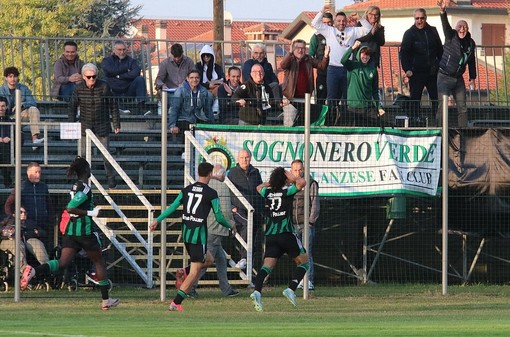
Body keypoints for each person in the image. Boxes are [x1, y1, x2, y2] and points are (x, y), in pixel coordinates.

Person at [21, 157, 120, 310]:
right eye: (89, 167)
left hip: (71, 231)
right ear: (86, 170)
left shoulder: (75, 186)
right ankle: (106, 300)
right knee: (99, 262)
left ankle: (33, 271)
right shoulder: (84, 188)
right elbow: (70, 208)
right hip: (84, 232)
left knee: (62, 262)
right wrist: (92, 212)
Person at [149, 162, 236, 312]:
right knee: (195, 271)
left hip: (187, 234)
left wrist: (158, 219)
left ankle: (184, 271)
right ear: (210, 174)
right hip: (199, 237)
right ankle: (176, 302)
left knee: (209, 260)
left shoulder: (186, 190)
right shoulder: (211, 193)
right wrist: (231, 225)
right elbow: (219, 217)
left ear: (198, 173)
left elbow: (172, 208)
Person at [250, 166, 307, 312]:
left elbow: (258, 187)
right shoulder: (286, 191)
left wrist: (272, 182)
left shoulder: (267, 192)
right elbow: (302, 182)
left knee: (266, 267)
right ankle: (291, 289)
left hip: (271, 236)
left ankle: (257, 291)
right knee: (305, 263)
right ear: (285, 179)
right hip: (286, 234)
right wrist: (291, 177)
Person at [311, 5, 372, 123]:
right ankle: (329, 122)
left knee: (346, 99)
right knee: (331, 98)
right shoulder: (329, 31)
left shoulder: (352, 31)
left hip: (347, 69)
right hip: (332, 69)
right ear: (334, 22)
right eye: (338, 21)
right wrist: (322, 11)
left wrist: (360, 18)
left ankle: (346, 123)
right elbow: (315, 23)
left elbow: (368, 29)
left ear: (347, 22)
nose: (341, 23)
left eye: (343, 21)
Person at [189, 164, 240, 298]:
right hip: (215, 229)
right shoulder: (222, 187)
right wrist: (231, 224)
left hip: (203, 227)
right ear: (222, 175)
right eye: (225, 175)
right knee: (205, 262)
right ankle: (189, 287)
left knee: (221, 259)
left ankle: (226, 288)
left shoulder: (202, 186)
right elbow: (225, 210)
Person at [69, 63, 120, 189]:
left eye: (94, 76)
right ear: (83, 77)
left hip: (102, 125)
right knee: (83, 156)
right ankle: (82, 181)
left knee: (106, 156)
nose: (92, 79)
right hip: (84, 126)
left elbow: (113, 105)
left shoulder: (104, 86)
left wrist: (116, 123)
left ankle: (110, 179)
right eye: (89, 76)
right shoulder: (78, 89)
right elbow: (72, 107)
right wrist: (71, 124)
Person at [436, 0, 477, 128]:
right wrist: (443, 11)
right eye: (459, 26)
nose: (462, 29)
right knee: (442, 107)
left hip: (458, 79)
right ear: (456, 29)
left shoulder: (471, 43)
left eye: (464, 27)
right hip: (444, 77)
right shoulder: (450, 36)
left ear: (467, 29)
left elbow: (471, 61)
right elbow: (445, 25)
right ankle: (440, 132)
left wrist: (472, 78)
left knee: (462, 107)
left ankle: (463, 132)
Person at [400, 8, 443, 123]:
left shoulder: (433, 31)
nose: (419, 21)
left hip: (432, 72)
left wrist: (441, 66)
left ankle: (438, 124)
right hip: (416, 72)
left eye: (422, 18)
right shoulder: (409, 33)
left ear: (425, 18)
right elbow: (404, 53)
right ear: (414, 19)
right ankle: (415, 123)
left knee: (436, 99)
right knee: (415, 100)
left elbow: (440, 50)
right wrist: (407, 69)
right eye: (417, 18)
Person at [227, 149, 263, 270]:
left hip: (255, 211)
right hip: (239, 210)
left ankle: (250, 271)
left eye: (246, 157)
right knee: (247, 225)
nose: (244, 160)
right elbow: (227, 191)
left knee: (255, 241)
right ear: (238, 159)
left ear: (250, 158)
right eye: (242, 157)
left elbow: (259, 190)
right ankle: (242, 259)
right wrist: (232, 207)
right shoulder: (232, 173)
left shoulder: (256, 172)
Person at [280, 39, 329, 127]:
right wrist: (290, 53)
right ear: (293, 49)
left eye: (303, 48)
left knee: (304, 125)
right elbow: (283, 65)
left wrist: (326, 55)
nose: (300, 50)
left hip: (305, 99)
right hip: (290, 99)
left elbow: (321, 66)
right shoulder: (290, 59)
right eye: (297, 48)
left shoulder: (308, 59)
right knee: (289, 124)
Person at [290, 159, 320, 291]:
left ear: (304, 169)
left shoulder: (311, 183)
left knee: (307, 252)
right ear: (291, 170)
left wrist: (310, 222)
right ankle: (300, 279)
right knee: (297, 253)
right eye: (295, 170)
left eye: (300, 169)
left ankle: (309, 280)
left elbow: (315, 204)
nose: (298, 172)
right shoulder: (288, 184)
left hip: (306, 224)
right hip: (293, 224)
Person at [341, 40, 385, 126]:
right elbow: (343, 60)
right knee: (353, 133)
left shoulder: (373, 70)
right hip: (352, 107)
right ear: (359, 54)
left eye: (368, 55)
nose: (366, 57)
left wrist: (379, 107)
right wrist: (352, 48)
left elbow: (375, 91)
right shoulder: (353, 66)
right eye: (363, 54)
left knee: (373, 130)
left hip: (367, 107)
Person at [101, 40, 148, 115]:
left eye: (124, 49)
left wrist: (119, 76)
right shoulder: (107, 60)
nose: (122, 52)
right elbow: (110, 71)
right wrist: (126, 69)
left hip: (128, 90)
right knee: (104, 83)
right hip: (114, 90)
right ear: (114, 50)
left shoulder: (131, 61)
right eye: (119, 50)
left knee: (140, 79)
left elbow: (136, 72)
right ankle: (116, 108)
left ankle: (142, 106)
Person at [0, 206, 49, 278]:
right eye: (20, 212)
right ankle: (25, 273)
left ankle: (47, 268)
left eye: (25, 212)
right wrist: (6, 233)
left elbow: (43, 233)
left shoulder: (30, 223)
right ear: (14, 214)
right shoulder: (7, 221)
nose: (23, 214)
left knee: (36, 243)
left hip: (27, 241)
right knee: (17, 244)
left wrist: (35, 232)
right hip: (8, 241)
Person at [0, 66, 44, 146]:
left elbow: (33, 102)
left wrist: (22, 104)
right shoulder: (1, 90)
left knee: (34, 109)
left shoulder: (24, 88)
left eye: (15, 76)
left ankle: (35, 139)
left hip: (19, 116)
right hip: (6, 118)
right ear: (6, 78)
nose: (13, 79)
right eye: (10, 76)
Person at [5, 162, 51, 234]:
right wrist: (11, 217)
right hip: (27, 224)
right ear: (28, 173)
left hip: (42, 223)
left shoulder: (44, 187)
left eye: (39, 172)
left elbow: (49, 204)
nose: (38, 175)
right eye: (35, 172)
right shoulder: (21, 187)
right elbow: (8, 204)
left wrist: (48, 218)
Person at [169, 69, 213, 136]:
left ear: (199, 79)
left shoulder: (204, 91)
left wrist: (212, 125)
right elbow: (174, 109)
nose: (194, 80)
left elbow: (208, 110)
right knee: (190, 130)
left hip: (199, 118)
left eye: (197, 77)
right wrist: (172, 125)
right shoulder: (180, 91)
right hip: (183, 119)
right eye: (191, 78)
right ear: (187, 79)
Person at [155, 43, 195, 109]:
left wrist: (185, 83)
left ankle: (174, 109)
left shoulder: (189, 62)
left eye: (179, 57)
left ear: (182, 53)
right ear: (171, 54)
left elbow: (194, 77)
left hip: (186, 90)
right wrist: (162, 85)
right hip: (170, 91)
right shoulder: (165, 63)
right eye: (175, 57)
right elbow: (159, 79)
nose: (177, 59)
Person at [309, 12, 333, 105]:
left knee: (334, 98)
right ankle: (320, 118)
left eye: (329, 23)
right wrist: (319, 65)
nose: (327, 25)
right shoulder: (316, 36)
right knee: (321, 98)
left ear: (332, 22)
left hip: (335, 71)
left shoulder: (336, 34)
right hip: (322, 73)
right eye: (324, 23)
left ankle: (333, 118)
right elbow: (310, 55)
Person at [0, 96, 12, 187]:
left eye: (3, 106)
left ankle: (7, 181)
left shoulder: (11, 121)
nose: (1, 108)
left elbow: (21, 136)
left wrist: (11, 138)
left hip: (7, 149)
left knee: (5, 148)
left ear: (6, 107)